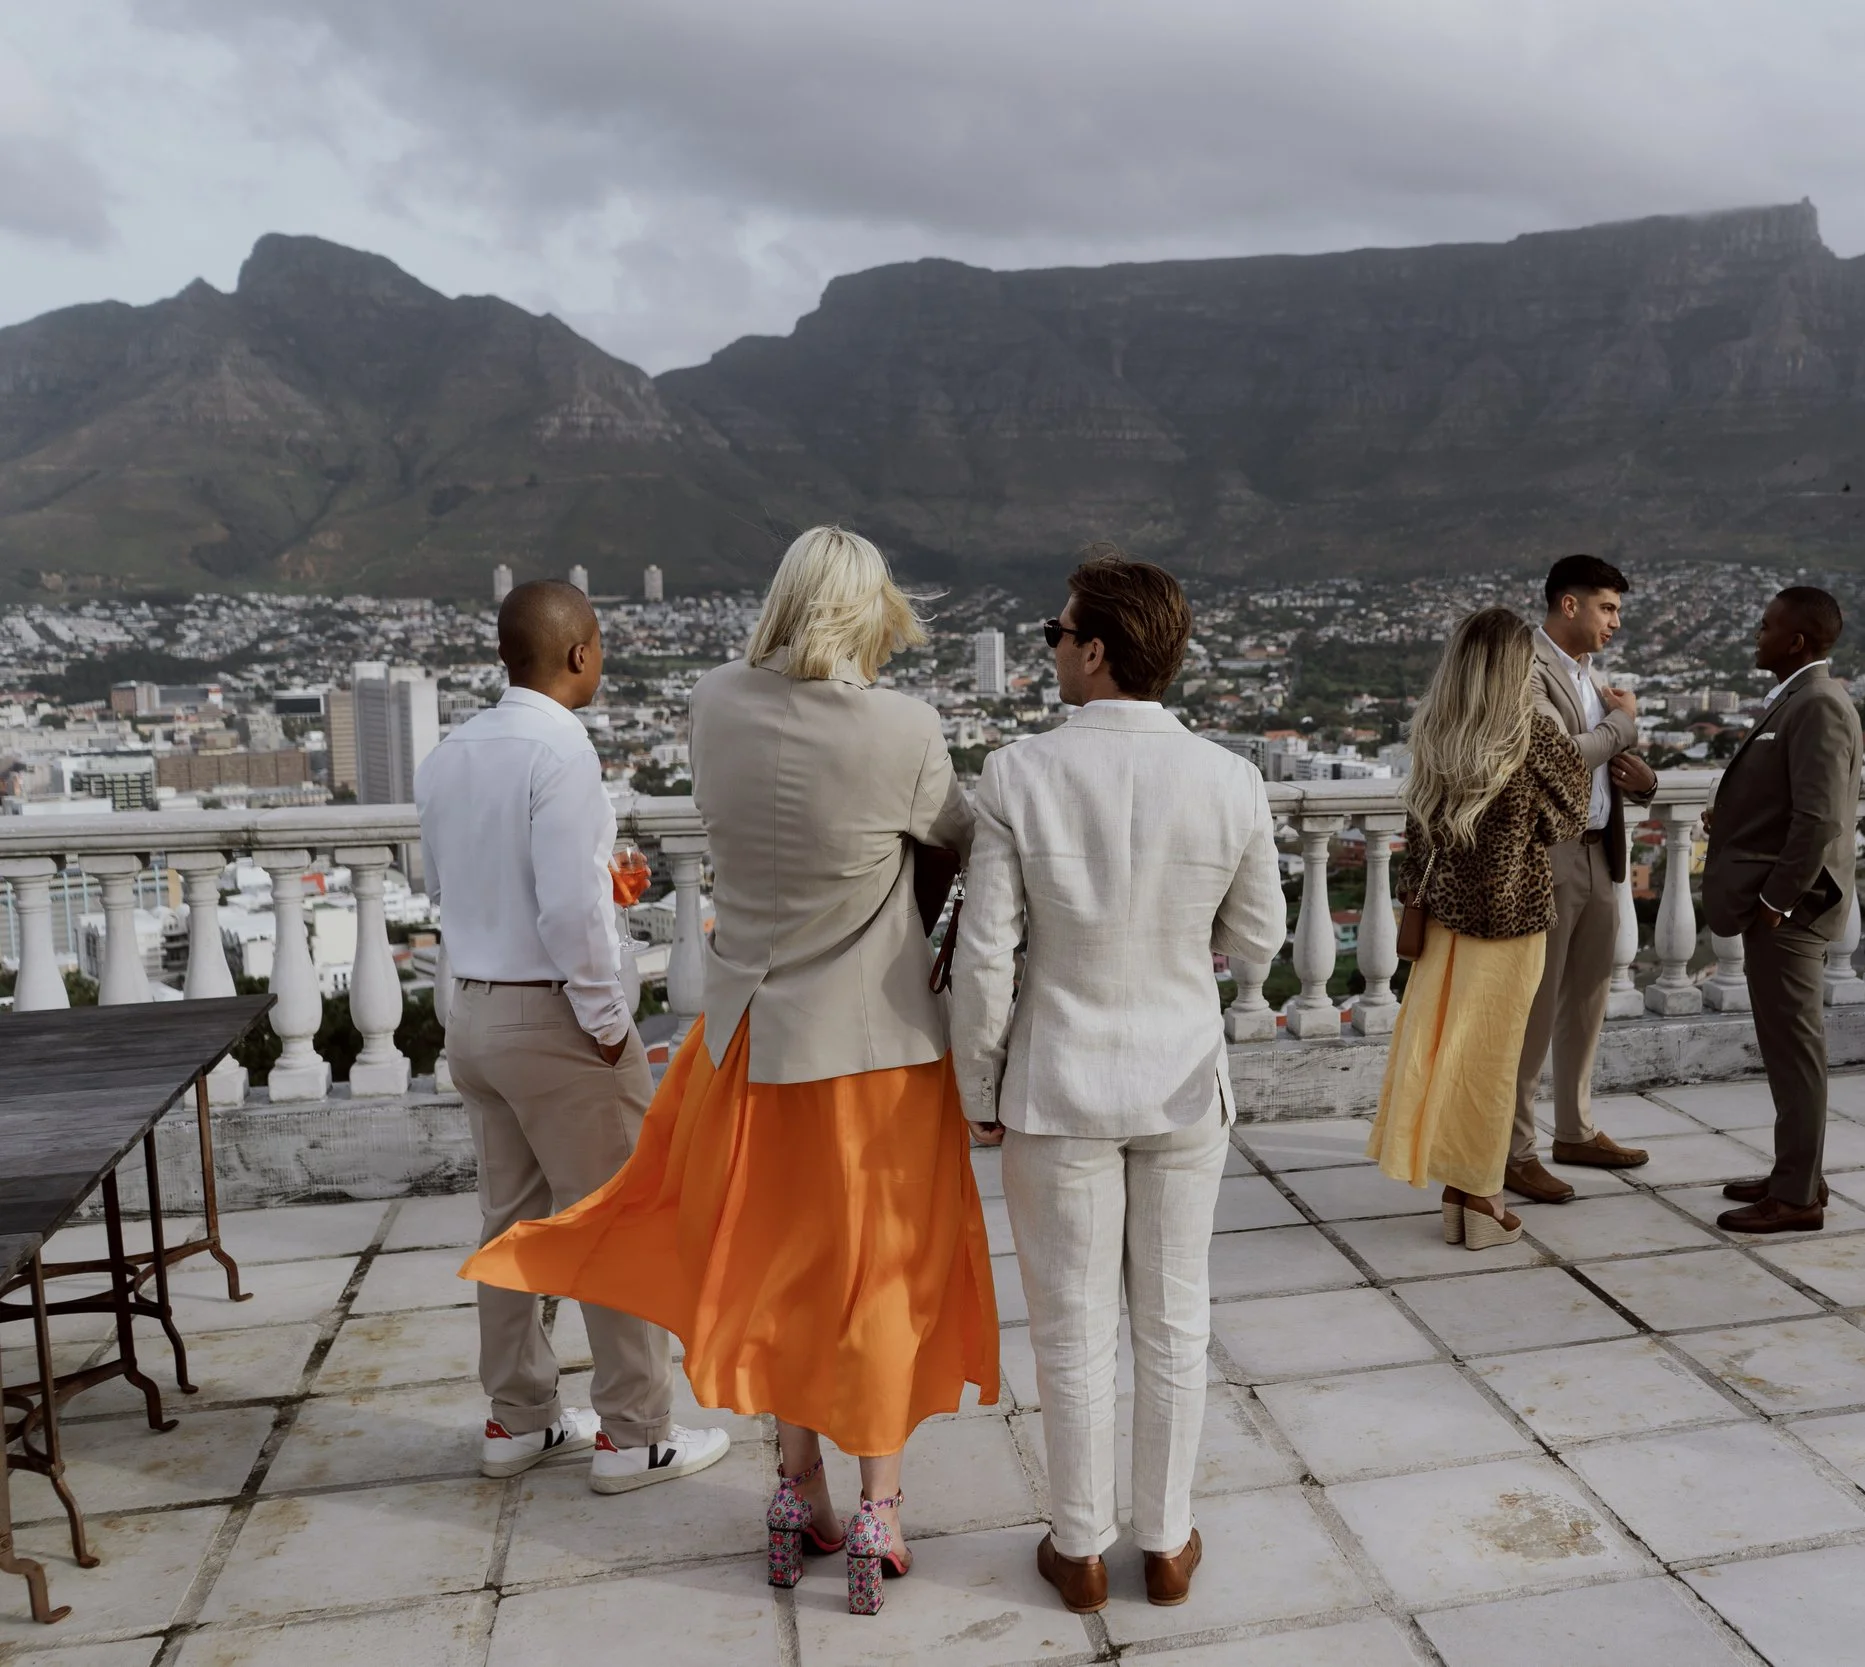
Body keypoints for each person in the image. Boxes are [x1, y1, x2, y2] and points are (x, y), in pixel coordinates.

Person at [460, 529, 999, 1616]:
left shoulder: (713, 702)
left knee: (780, 1271)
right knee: (877, 1275)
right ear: (870, 613)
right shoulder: (904, 727)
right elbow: (964, 836)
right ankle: (879, 1504)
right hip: (875, 1056)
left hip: (745, 1046)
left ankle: (795, 1490)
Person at [952, 547, 1287, 1615]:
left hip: (1060, 1086)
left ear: (1095, 651)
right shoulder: (1229, 776)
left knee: (1071, 1324)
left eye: (1056, 633)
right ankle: (1169, 1539)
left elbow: (988, 956)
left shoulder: (1020, 773)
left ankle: (1082, 1546)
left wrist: (979, 1084)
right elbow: (1258, 934)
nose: (1051, 648)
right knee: (1175, 1317)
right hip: (1184, 1077)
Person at [418, 580, 730, 1501]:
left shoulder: (449, 755)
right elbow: (565, 911)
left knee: (510, 1219)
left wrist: (600, 900)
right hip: (552, 1017)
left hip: (471, 1010)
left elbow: (454, 885)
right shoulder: (561, 752)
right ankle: (635, 1433)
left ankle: (517, 1417)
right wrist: (606, 1022)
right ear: (581, 653)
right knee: (618, 1217)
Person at [1369, 608, 1591, 1249]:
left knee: (1446, 1053)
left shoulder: (1436, 731)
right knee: (1491, 1063)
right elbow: (1569, 818)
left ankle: (1458, 1191)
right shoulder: (1533, 735)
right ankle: (1481, 1198)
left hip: (1443, 919)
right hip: (1512, 921)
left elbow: (1419, 832)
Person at [1700, 585, 1861, 1234]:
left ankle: (1796, 1197)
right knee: (1786, 1045)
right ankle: (1799, 1171)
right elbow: (1786, 800)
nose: (1757, 635)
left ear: (1796, 640)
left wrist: (1774, 901)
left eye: (1767, 626)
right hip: (1781, 901)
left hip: (1792, 909)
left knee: (1795, 1049)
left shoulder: (1817, 703)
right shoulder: (1800, 698)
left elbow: (1819, 818)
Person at [1506, 555, 1658, 1206]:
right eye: (1607, 608)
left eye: (1618, 610)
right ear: (1569, 605)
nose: (1616, 622)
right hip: (1550, 855)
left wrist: (1643, 777)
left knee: (1589, 1000)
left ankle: (1575, 1128)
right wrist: (1622, 724)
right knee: (1535, 1009)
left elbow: (1602, 759)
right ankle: (1515, 1150)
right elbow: (1561, 753)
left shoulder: (1591, 676)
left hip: (1601, 853)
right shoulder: (1526, 668)